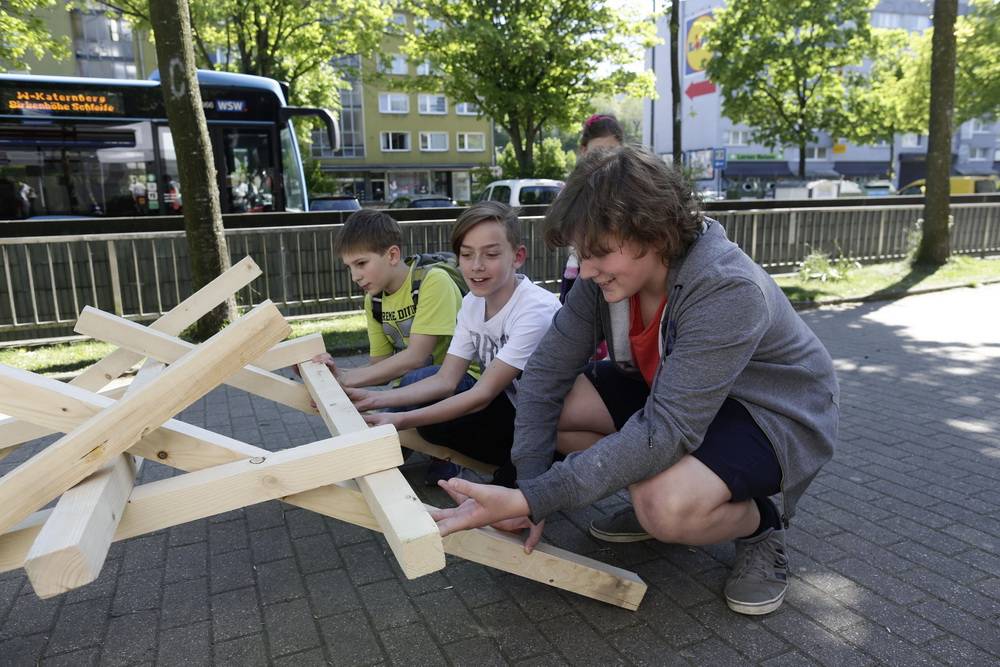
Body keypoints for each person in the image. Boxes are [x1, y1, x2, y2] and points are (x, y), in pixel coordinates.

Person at [431, 146, 839, 617]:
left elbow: (666, 428)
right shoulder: (602, 278)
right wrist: (529, 486)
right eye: (581, 253)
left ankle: (761, 527)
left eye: (599, 253)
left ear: (655, 231)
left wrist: (532, 496)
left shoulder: (726, 287)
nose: (584, 270)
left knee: (663, 505)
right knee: (555, 408)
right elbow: (544, 374)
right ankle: (675, 487)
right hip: (675, 392)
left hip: (771, 413)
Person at [347, 201, 561, 487]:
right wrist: (375, 399)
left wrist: (400, 420)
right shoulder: (473, 303)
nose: (477, 266)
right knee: (435, 423)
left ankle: (542, 469)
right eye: (467, 254)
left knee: (440, 413)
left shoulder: (535, 309)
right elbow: (446, 380)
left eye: (491, 254)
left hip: (553, 422)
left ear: (517, 256)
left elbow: (482, 394)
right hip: (514, 410)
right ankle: (507, 469)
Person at [316, 209, 465, 393]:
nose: (355, 277)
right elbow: (380, 368)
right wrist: (332, 373)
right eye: (349, 267)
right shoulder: (374, 301)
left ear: (393, 255)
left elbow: (417, 357)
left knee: (413, 380)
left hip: (460, 382)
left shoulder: (432, 281)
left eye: (361, 263)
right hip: (412, 389)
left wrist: (344, 379)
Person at [559, 113, 625, 303]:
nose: (605, 159)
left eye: (612, 151)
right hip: (582, 266)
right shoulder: (576, 189)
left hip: (614, 267)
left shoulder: (625, 188)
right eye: (599, 152)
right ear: (584, 150)